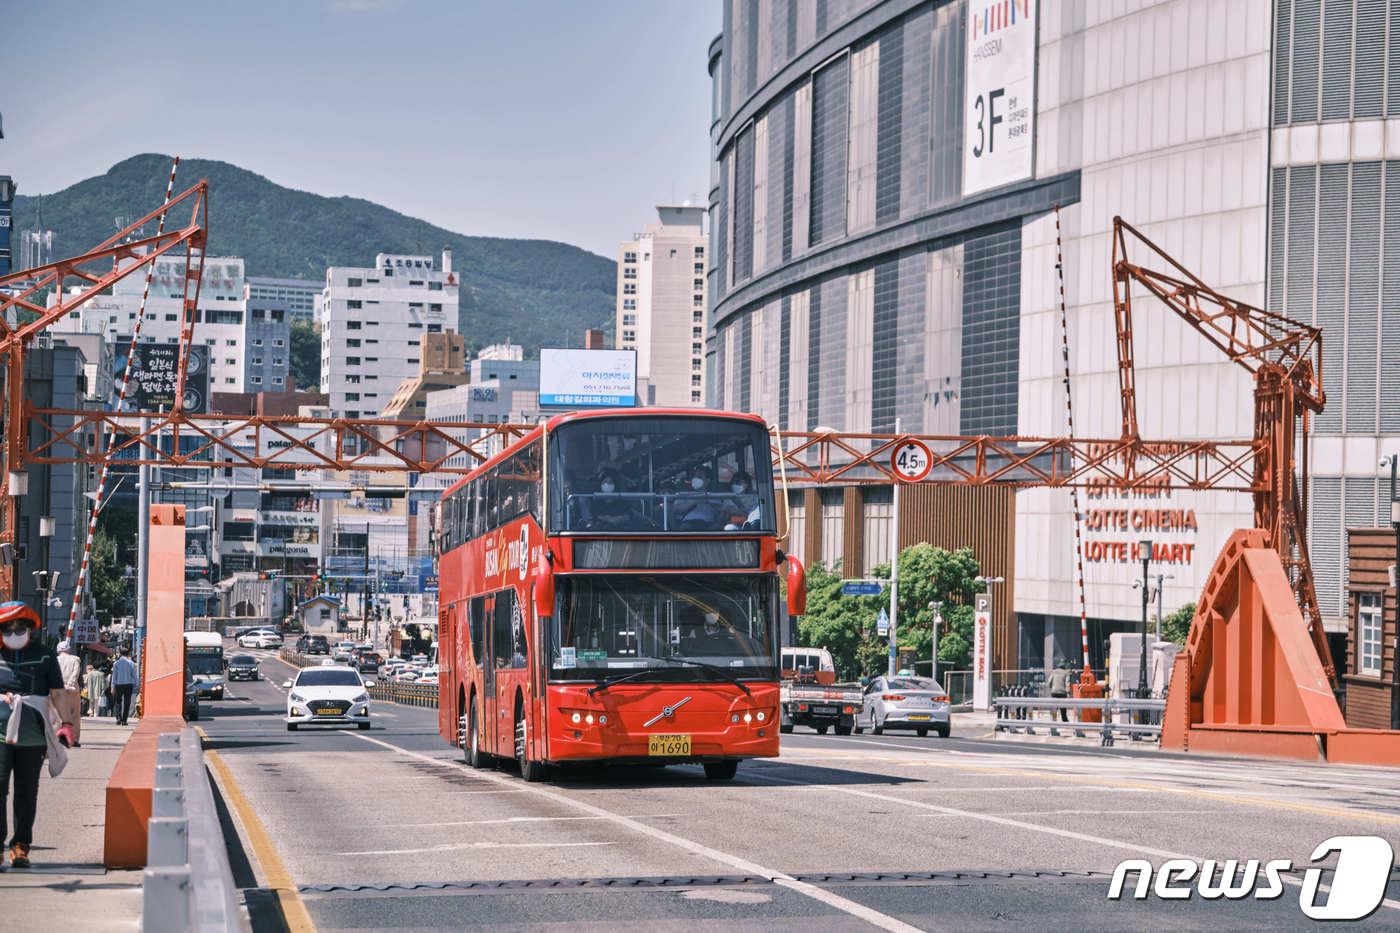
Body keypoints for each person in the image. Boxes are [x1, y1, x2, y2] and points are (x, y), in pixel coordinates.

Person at [0, 601, 74, 870]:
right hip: (0, 734)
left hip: (33, 736)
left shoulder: (44, 655)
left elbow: (57, 692)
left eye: (20, 627)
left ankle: (21, 846)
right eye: (8, 627)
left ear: (31, 629)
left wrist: (66, 723)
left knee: (26, 792)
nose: (15, 631)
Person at [54, 642, 82, 747]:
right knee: (74, 714)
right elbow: (75, 673)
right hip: (72, 690)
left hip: (58, 690)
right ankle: (73, 739)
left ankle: (58, 737)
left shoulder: (55, 660)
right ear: (69, 650)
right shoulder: (75, 659)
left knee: (57, 714)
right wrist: (70, 683)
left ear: (58, 650)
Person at [110, 648, 138, 726]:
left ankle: (118, 718)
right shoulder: (131, 663)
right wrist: (136, 684)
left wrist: (112, 686)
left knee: (118, 702)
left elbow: (114, 676)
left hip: (118, 685)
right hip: (129, 684)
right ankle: (124, 720)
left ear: (120, 653)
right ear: (128, 653)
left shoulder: (116, 663)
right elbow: (134, 675)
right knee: (127, 702)